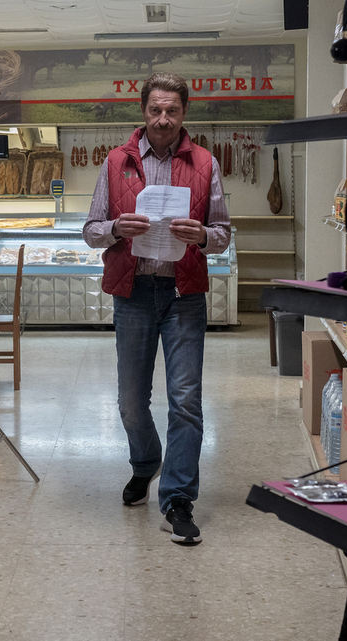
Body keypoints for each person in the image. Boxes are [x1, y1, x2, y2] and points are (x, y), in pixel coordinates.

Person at [82, 72, 230, 546]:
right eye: (155, 110)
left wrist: (204, 237)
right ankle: (146, 462)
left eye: (172, 110)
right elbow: (90, 230)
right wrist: (116, 229)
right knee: (130, 402)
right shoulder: (116, 162)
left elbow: (224, 232)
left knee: (185, 400)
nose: (163, 119)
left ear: (184, 113)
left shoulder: (205, 162)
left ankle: (178, 498)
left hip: (184, 295)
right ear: (144, 112)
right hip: (134, 294)